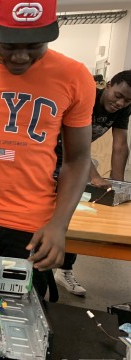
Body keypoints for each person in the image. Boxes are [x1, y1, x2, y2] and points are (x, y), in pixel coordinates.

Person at [0, 0, 95, 299]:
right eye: (9, 45)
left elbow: (78, 159)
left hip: (33, 227)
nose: (21, 56)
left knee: (18, 320)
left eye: (34, 45)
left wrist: (59, 225)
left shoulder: (75, 77)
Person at [54, 69, 131, 296]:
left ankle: (64, 269)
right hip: (50, 155)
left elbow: (119, 145)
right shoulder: (87, 98)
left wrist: (118, 185)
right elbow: (74, 142)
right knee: (48, 210)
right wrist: (94, 176)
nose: (120, 103)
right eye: (118, 95)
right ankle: (34, 265)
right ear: (107, 85)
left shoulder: (123, 109)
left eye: (127, 100)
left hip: (76, 158)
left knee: (76, 213)